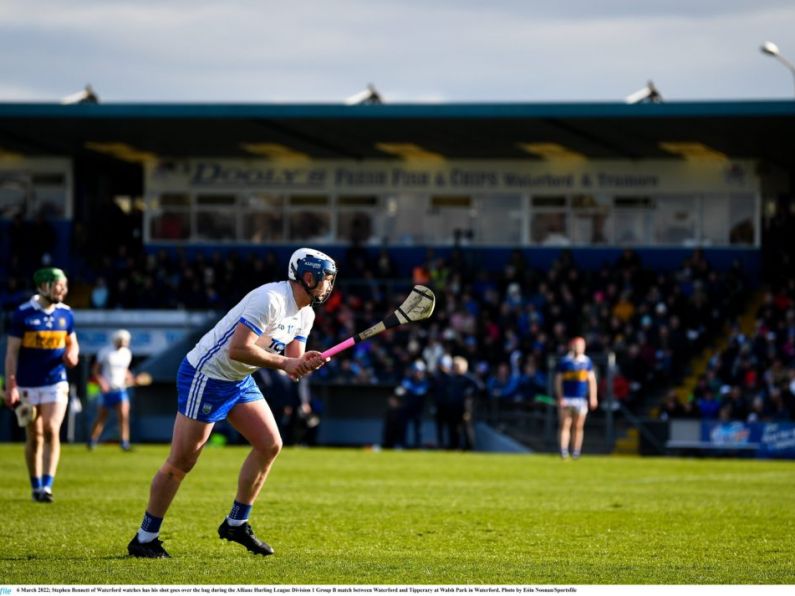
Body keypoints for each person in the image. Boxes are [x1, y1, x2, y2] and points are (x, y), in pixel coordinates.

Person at [127, 248, 336, 559]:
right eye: (326, 280)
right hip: (207, 375)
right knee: (182, 462)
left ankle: (236, 523)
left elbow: (292, 361)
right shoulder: (271, 299)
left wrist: (305, 363)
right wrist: (286, 365)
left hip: (238, 380)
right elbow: (238, 349)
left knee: (269, 444)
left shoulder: (305, 314)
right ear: (308, 277)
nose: (329, 286)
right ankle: (145, 537)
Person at [3, 267, 79, 502]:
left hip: (55, 382)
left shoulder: (66, 314)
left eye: (65, 286)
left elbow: (72, 344)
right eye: (59, 285)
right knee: (34, 435)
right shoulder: (23, 314)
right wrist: (11, 385)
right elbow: (12, 353)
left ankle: (47, 485)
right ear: (45, 285)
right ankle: (35, 485)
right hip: (27, 384)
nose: (63, 290)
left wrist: (72, 355)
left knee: (51, 429)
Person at [88, 329, 143, 451]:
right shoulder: (105, 352)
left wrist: (132, 378)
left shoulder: (127, 353)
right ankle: (92, 440)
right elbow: (96, 371)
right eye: (122, 340)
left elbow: (125, 371)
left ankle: (124, 443)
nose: (124, 343)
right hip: (107, 391)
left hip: (120, 390)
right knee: (101, 417)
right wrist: (102, 383)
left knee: (124, 416)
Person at [554, 336, 597, 460]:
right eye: (577, 345)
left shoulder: (587, 362)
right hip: (567, 398)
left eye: (581, 345)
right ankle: (563, 451)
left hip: (581, 399)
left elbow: (592, 380)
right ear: (572, 346)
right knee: (565, 424)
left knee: (578, 426)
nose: (579, 348)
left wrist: (593, 397)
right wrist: (560, 397)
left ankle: (576, 452)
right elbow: (558, 381)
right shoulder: (565, 362)